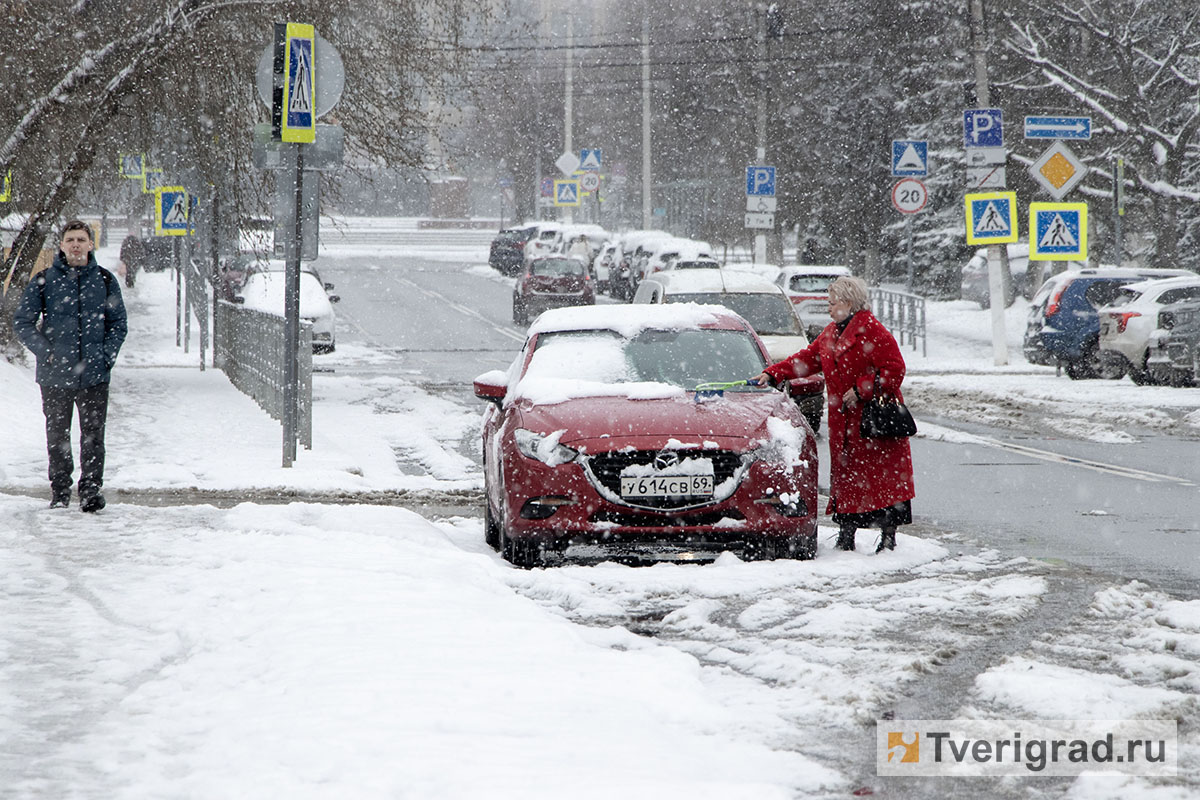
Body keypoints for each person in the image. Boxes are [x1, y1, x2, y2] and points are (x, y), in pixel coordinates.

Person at [752, 275, 914, 554]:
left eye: (832, 303)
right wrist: (774, 373)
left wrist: (862, 389)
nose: (828, 307)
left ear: (849, 303)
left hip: (874, 422)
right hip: (846, 424)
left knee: (882, 482)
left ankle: (888, 539)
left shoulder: (873, 331)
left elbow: (895, 369)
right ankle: (846, 536)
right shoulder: (830, 333)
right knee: (849, 479)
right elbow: (807, 360)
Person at [13, 220, 128, 512]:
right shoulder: (44, 280)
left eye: (81, 239)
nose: (75, 245)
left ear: (91, 244)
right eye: (70, 240)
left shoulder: (104, 280)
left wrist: (105, 356)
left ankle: (90, 491)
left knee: (93, 436)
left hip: (94, 375)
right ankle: (60, 492)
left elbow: (118, 324)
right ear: (62, 245)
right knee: (57, 436)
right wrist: (46, 352)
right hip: (55, 375)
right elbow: (23, 322)